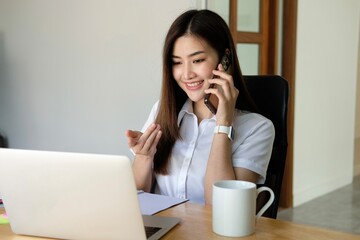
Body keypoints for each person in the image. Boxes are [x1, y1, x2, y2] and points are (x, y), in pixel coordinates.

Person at [125, 9, 275, 205]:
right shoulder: (164, 111)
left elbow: (224, 206)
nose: (186, 74)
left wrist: (223, 124)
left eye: (197, 60)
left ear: (225, 58)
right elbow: (138, 198)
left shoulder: (257, 128)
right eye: (177, 62)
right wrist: (144, 157)